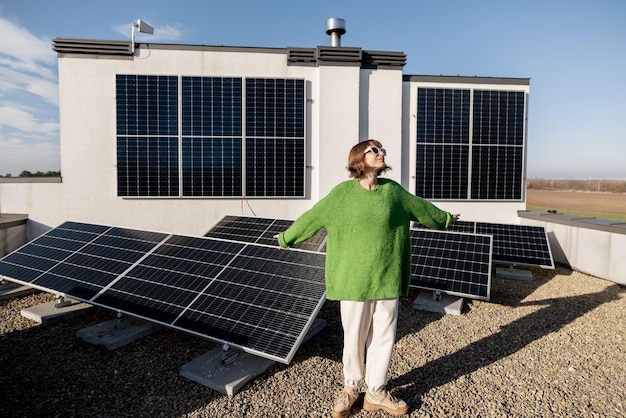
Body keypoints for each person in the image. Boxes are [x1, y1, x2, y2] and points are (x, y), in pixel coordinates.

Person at [275, 139, 459, 417]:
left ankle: (376, 392)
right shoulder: (342, 194)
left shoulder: (393, 191)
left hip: (387, 277)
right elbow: (313, 217)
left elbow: (421, 208)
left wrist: (444, 218)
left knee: (384, 337)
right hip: (352, 281)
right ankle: (350, 388)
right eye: (374, 150)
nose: (381, 153)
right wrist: (287, 238)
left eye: (382, 149)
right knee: (354, 338)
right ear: (358, 158)